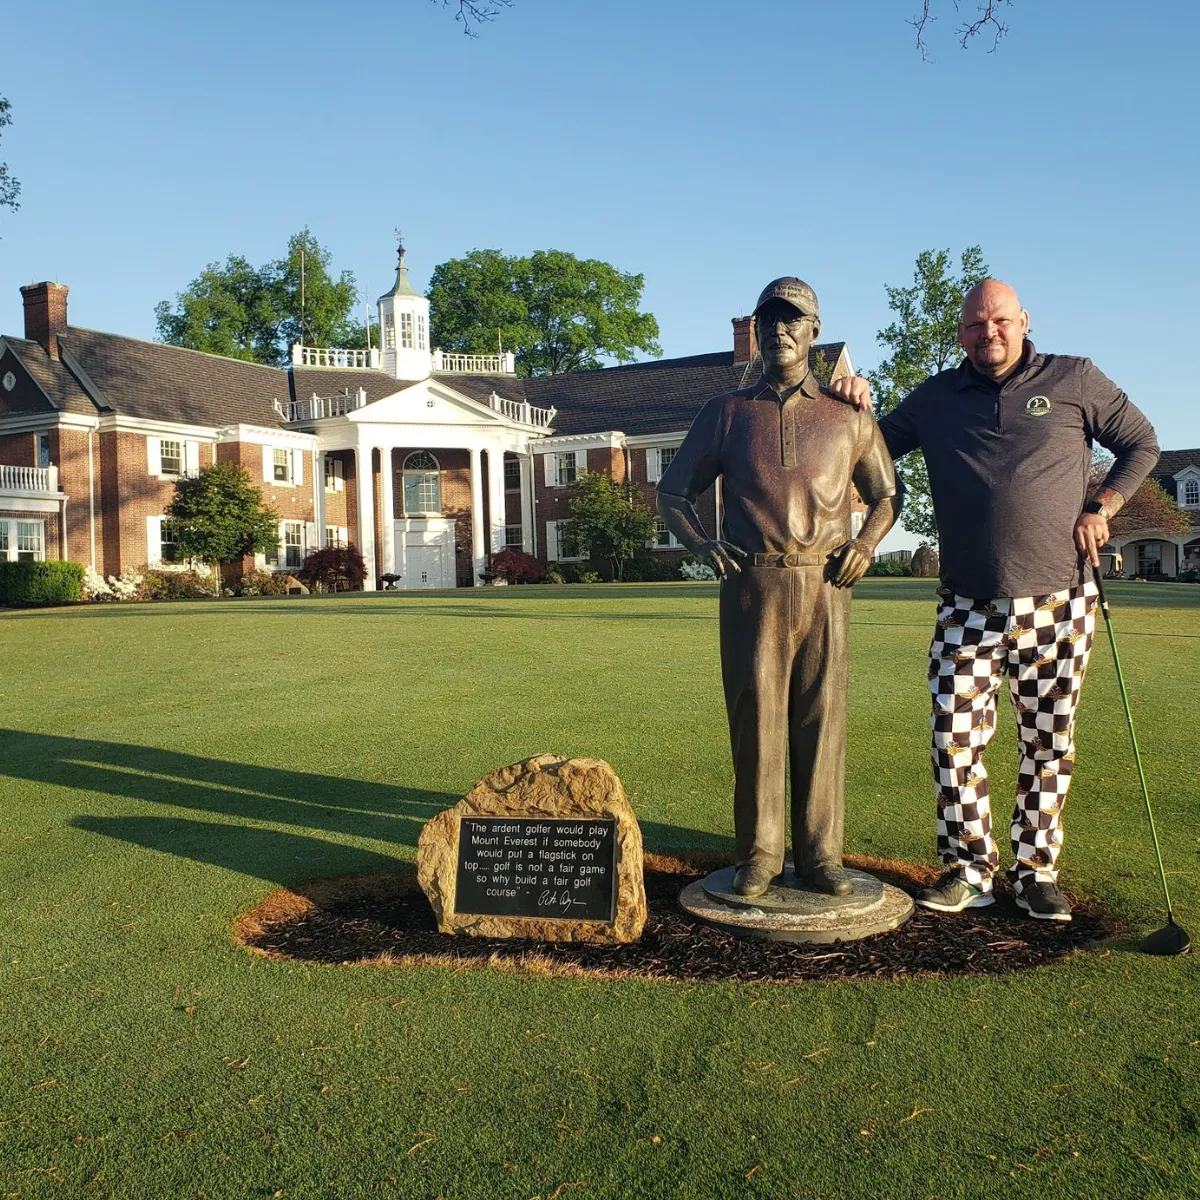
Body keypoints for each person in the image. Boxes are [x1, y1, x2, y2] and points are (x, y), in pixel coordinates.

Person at [831, 280, 1159, 920]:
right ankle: (969, 869)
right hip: (967, 605)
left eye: (1001, 321)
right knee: (953, 738)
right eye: (977, 325)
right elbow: (861, 451)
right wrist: (849, 404)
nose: (990, 334)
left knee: (1049, 743)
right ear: (961, 334)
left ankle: (1037, 871)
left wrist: (1101, 506)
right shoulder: (935, 398)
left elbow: (1142, 444)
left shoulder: (1075, 378)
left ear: (1024, 320)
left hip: (1060, 601)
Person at [657, 278, 899, 899]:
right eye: (769, 320)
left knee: (822, 718)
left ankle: (822, 854)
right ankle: (760, 854)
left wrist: (866, 545)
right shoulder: (726, 413)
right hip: (752, 585)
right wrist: (703, 544)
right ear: (757, 331)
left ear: (815, 330)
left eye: (793, 320)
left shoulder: (849, 417)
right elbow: (673, 492)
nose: (780, 330)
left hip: (827, 584)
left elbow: (886, 495)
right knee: (756, 718)